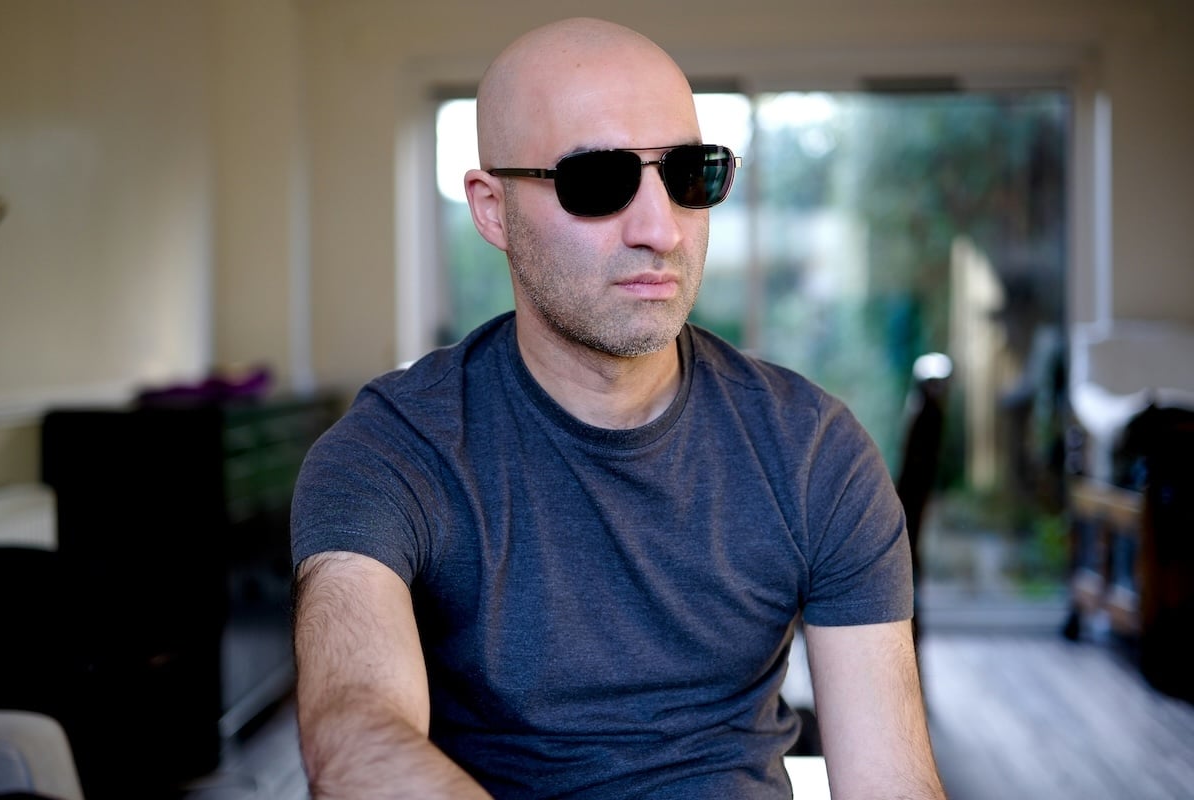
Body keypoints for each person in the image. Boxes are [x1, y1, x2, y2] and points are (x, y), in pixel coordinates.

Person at [291, 16, 946, 800]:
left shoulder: (813, 451)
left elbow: (892, 785)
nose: (660, 229)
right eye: (597, 182)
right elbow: (353, 738)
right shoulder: (389, 454)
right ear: (492, 209)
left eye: (689, 175)